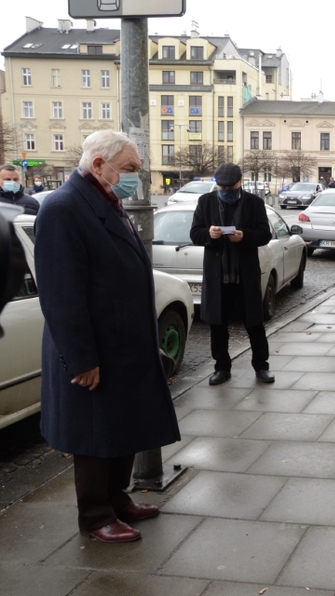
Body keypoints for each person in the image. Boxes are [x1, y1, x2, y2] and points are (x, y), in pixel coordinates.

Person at [33, 130, 181, 543]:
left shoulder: (106, 201)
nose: (135, 178)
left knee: (123, 426)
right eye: (130, 169)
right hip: (95, 348)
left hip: (124, 344)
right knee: (95, 434)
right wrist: (81, 359)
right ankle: (95, 516)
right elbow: (61, 294)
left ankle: (118, 499)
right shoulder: (64, 208)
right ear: (99, 164)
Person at [190, 163, 274, 385]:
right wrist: (209, 234)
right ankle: (221, 368)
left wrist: (244, 236)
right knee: (218, 324)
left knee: (254, 323)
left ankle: (261, 366)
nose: (225, 191)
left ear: (239, 183)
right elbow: (195, 234)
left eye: (230, 187)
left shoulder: (254, 203)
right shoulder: (205, 202)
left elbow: (265, 234)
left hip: (244, 276)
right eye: (221, 187)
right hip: (218, 277)